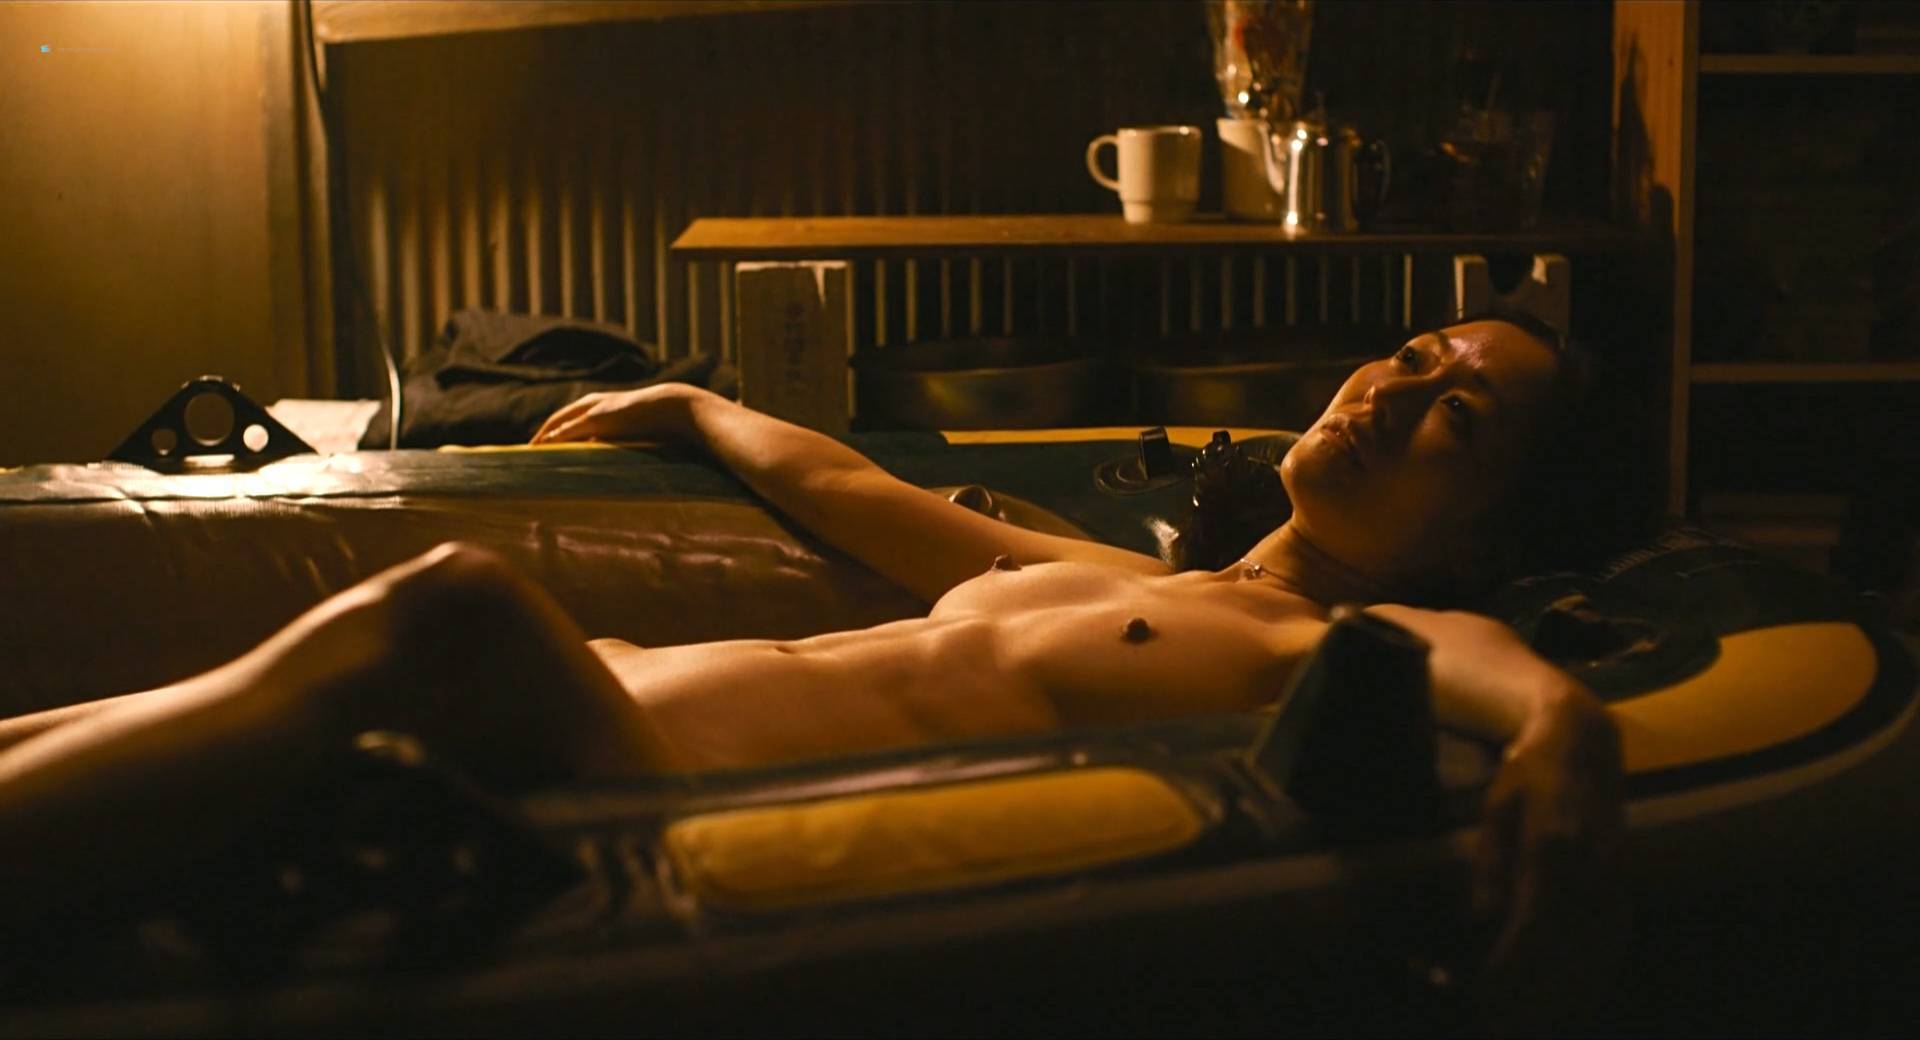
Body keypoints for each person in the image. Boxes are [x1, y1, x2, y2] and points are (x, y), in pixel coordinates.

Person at [0, 315, 1623, 993]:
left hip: (667, 809)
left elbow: (1498, 675)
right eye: (1410, 355)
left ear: (1478, 534)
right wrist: (690, 406)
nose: (1396, 391)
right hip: (596, 714)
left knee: (454, 607)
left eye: (1457, 415)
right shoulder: (1112, 575)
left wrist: (1568, 729)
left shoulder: (1332, 638)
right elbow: (855, 496)